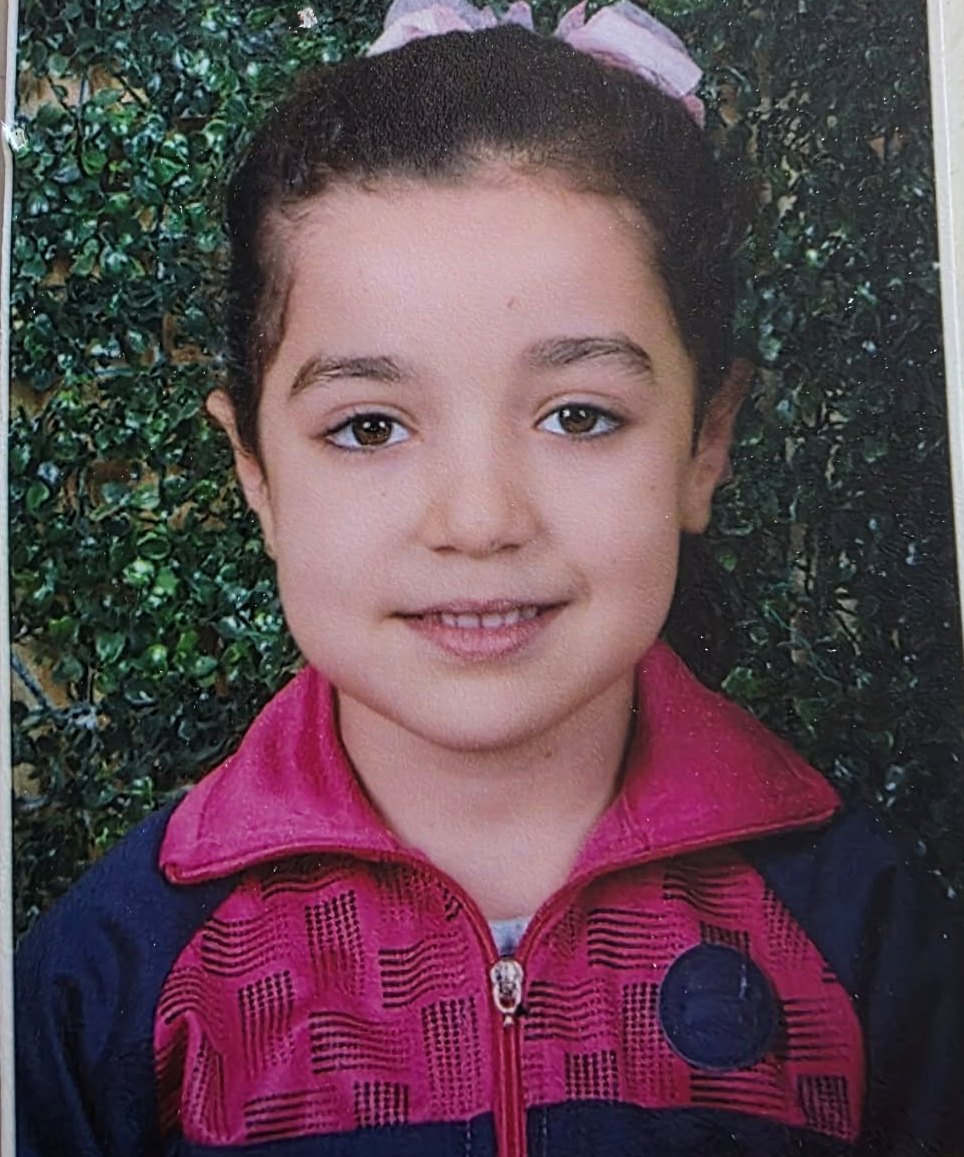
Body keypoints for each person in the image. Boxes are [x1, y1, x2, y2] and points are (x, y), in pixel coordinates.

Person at [15, 2, 962, 1154]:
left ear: (704, 445)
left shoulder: (862, 936)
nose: (478, 520)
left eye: (578, 415)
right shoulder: (112, 982)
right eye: (369, 425)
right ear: (255, 471)